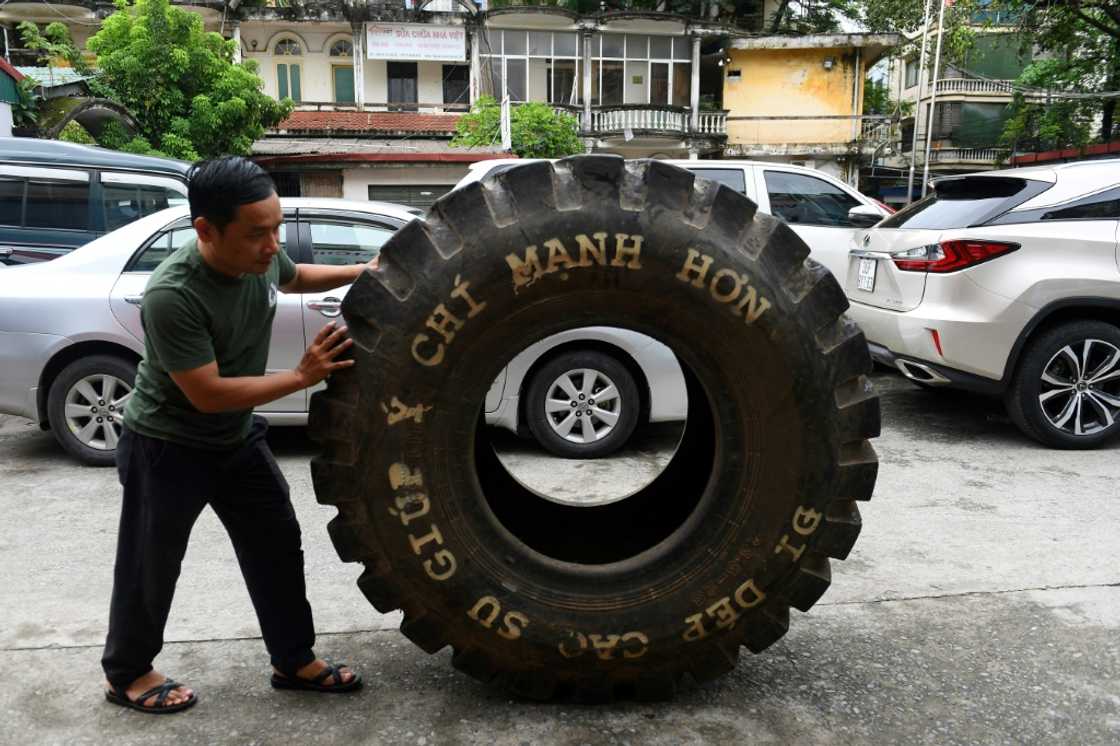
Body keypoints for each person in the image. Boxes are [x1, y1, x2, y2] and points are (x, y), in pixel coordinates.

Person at [102, 156, 371, 714]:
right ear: (206, 230)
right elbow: (206, 393)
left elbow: (295, 276)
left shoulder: (259, 258)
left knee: (276, 542)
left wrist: (360, 271)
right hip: (167, 443)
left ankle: (293, 659)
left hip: (234, 438)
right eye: (258, 234)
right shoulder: (173, 294)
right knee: (150, 563)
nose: (272, 244)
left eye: (275, 229)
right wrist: (301, 377)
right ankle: (127, 672)